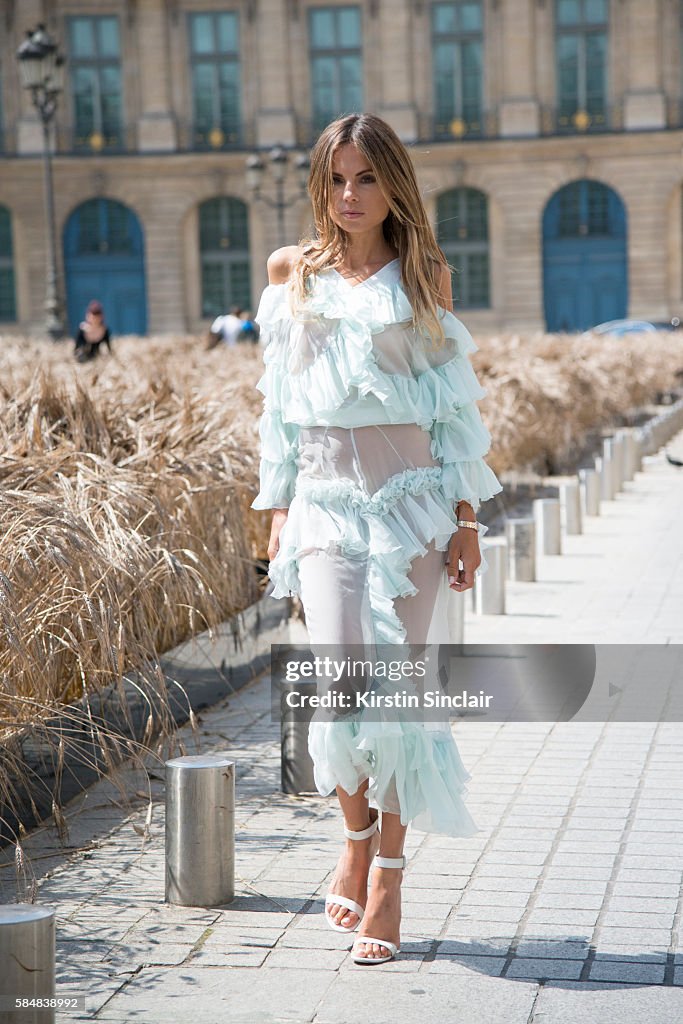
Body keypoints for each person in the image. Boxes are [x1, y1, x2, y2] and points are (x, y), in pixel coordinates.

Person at [251, 113, 503, 965]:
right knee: (337, 688)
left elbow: (452, 409)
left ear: (393, 183)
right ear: (318, 186)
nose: (349, 195)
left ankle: (388, 878)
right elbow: (279, 406)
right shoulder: (291, 273)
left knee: (395, 696)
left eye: (365, 178)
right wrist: (277, 509)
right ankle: (353, 837)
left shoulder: (424, 273)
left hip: (411, 506)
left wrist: (467, 520)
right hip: (322, 507)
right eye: (334, 179)